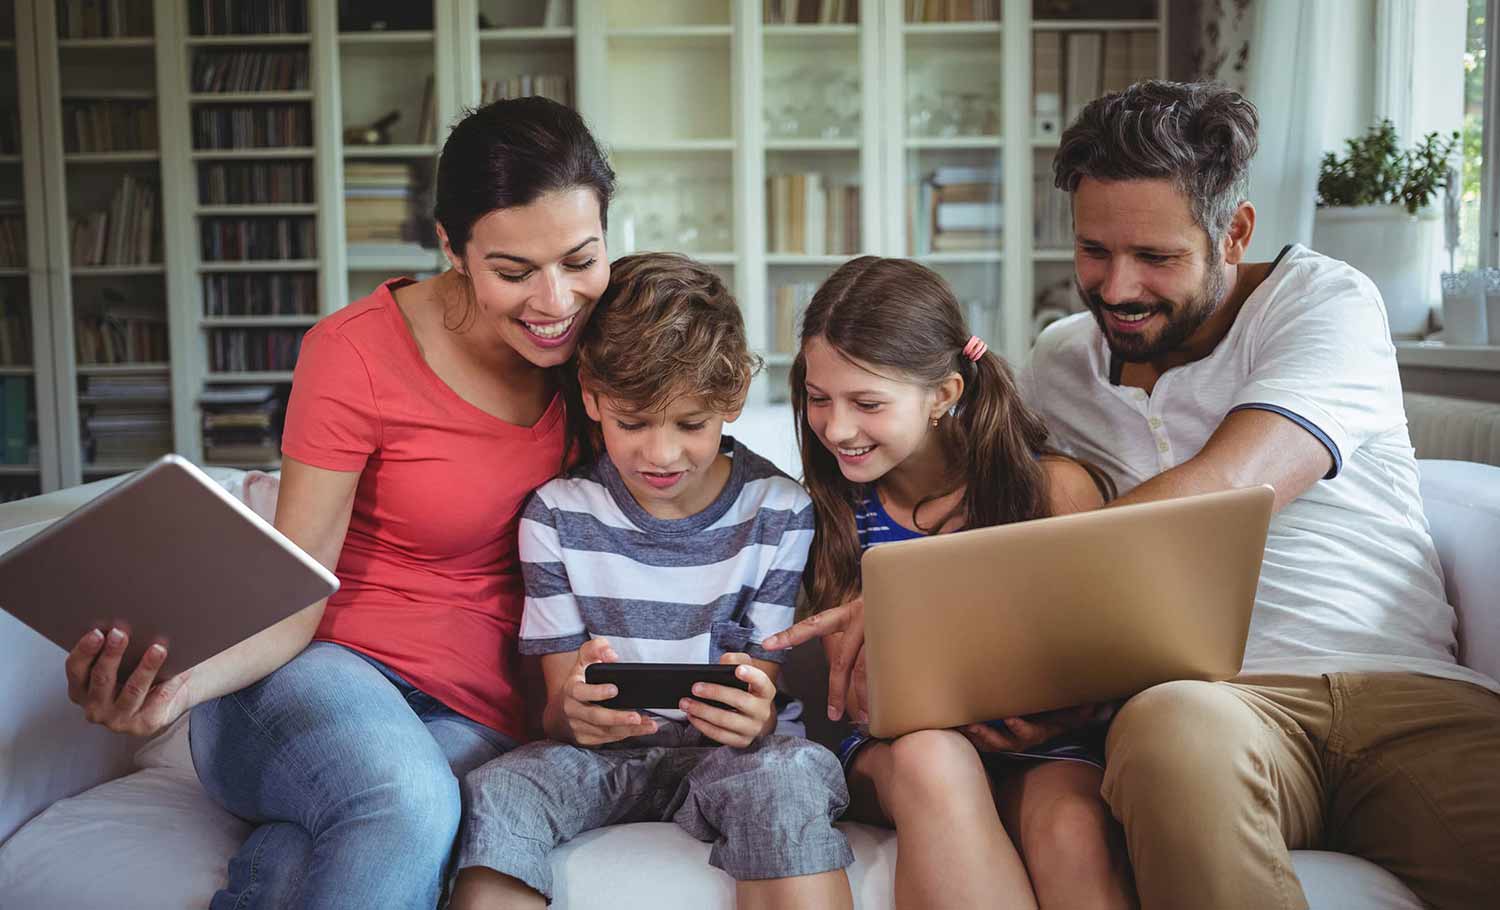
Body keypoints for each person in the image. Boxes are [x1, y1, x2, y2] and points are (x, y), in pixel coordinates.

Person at [60, 96, 615, 909]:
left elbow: (695, 457)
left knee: (303, 860)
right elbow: (297, 588)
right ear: (451, 248)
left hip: (481, 712)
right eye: (513, 271)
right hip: (314, 674)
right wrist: (175, 692)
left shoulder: (603, 346)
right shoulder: (354, 351)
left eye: (580, 259)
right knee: (407, 802)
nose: (556, 301)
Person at [1020, 80, 1500, 910]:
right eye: (1094, 251)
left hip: (1407, 691)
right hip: (1213, 707)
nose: (1118, 288)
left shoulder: (1323, 301)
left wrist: (1006, 594)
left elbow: (1231, 491)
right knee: (1169, 732)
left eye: (1157, 258)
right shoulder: (1058, 364)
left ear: (1234, 232)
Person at [449, 253, 854, 910]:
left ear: (732, 400)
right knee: (500, 788)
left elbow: (761, 680)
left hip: (740, 757)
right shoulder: (556, 515)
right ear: (591, 398)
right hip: (606, 760)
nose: (660, 455)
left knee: (788, 773)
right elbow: (558, 709)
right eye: (632, 423)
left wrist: (754, 711)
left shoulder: (780, 511)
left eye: (690, 425)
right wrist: (573, 715)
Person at [763, 256, 1132, 909]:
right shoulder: (830, 514)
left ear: (943, 395)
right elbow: (840, 688)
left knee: (1072, 829)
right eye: (819, 399)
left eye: (867, 403)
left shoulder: (1052, 489)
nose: (836, 428)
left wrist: (1055, 713)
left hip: (1041, 741)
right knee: (936, 757)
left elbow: (1108, 656)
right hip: (896, 751)